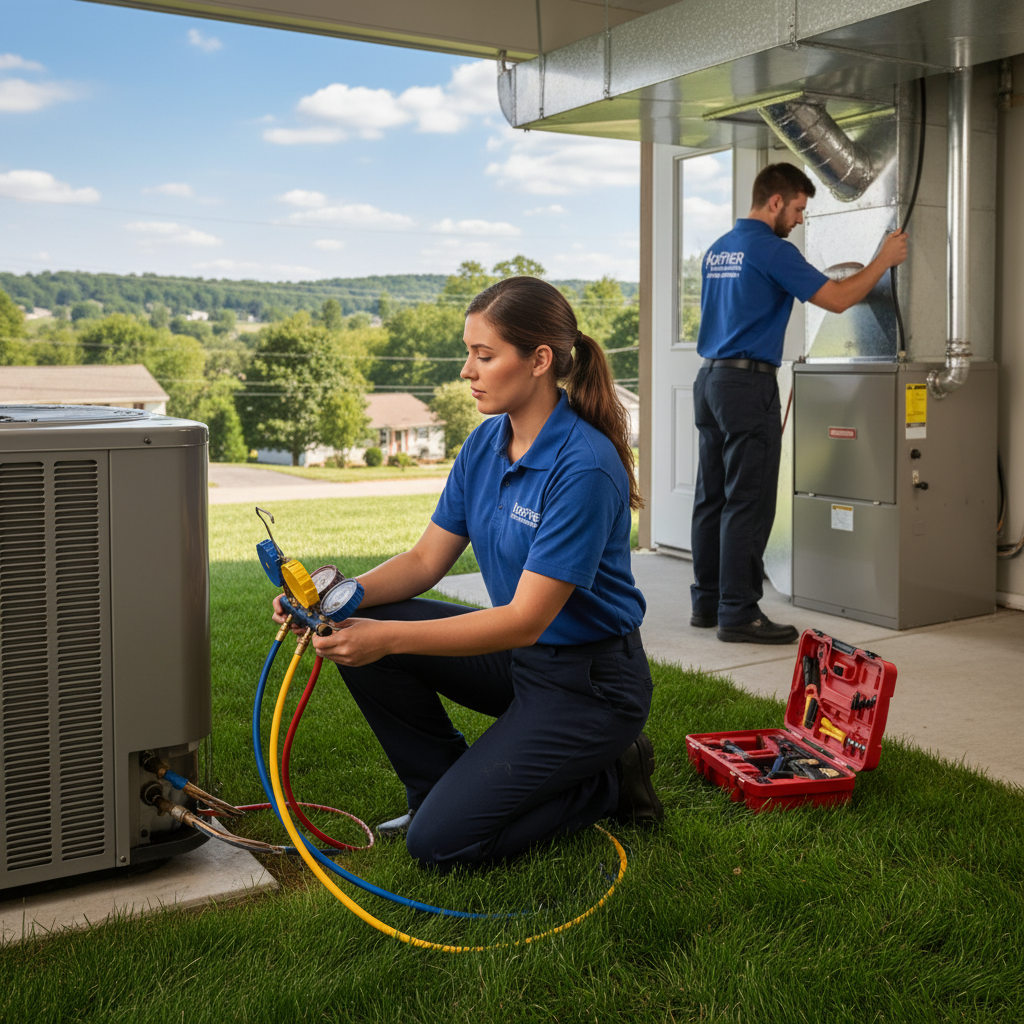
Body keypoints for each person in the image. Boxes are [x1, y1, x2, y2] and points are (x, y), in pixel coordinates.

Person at [274, 276, 661, 872]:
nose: (467, 371)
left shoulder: (582, 466)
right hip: (523, 665)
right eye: (468, 354)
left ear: (539, 361)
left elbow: (525, 620)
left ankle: (608, 779)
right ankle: (437, 790)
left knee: (441, 847)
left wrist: (385, 638)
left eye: (484, 356)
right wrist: (334, 599)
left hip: (590, 685)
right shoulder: (486, 444)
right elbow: (426, 562)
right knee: (362, 616)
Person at [690, 163, 909, 644]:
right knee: (748, 502)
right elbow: (835, 299)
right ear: (775, 202)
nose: (800, 220)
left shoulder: (718, 250)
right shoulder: (772, 249)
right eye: (797, 209)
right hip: (747, 387)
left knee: (713, 497)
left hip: (709, 382)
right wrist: (883, 260)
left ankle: (707, 603)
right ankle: (739, 613)